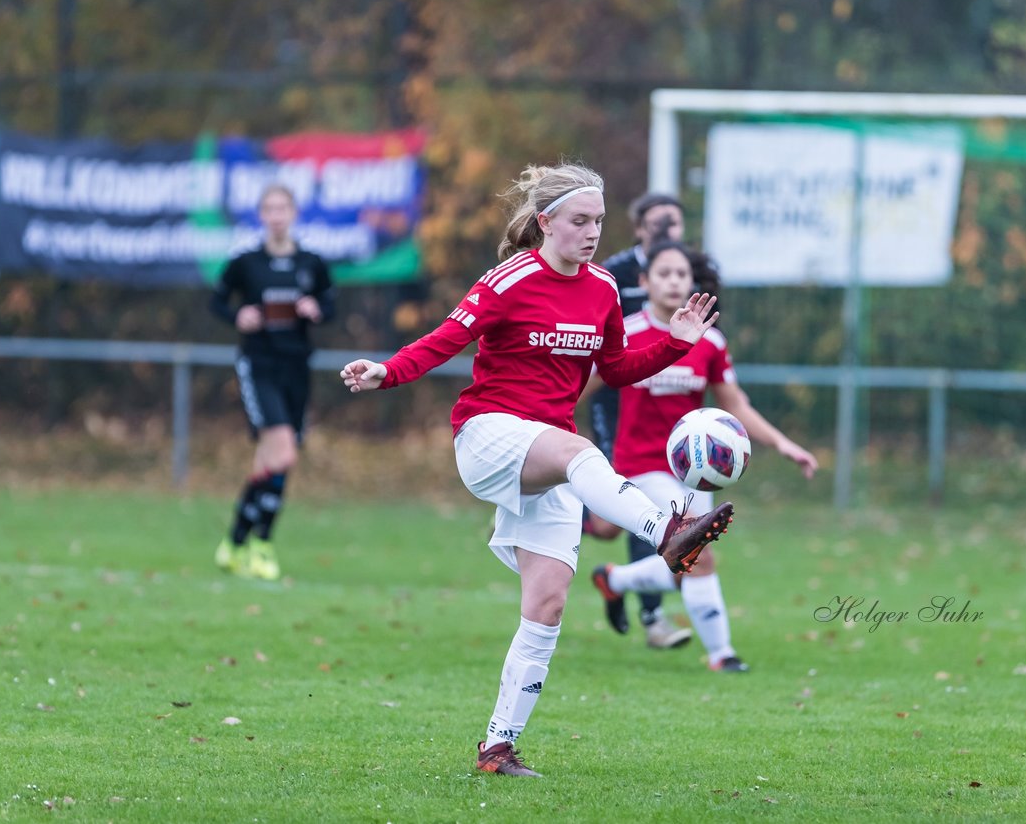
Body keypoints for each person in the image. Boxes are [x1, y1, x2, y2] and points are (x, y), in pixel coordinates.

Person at [339, 163, 735, 778]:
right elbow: (445, 340)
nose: (592, 232)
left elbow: (619, 368)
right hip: (489, 435)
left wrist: (677, 341)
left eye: (600, 221)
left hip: (550, 453)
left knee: (548, 603)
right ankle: (666, 533)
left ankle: (497, 747)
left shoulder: (603, 288)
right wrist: (385, 371)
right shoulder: (509, 279)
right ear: (546, 222)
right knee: (579, 455)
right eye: (580, 221)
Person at [588, 239, 818, 672]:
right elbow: (585, 385)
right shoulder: (627, 334)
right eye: (664, 273)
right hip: (640, 466)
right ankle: (722, 654)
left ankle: (614, 580)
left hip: (698, 474)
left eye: (681, 274)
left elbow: (736, 404)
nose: (674, 281)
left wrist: (782, 443)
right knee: (696, 556)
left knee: (685, 563)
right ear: (644, 282)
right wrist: (542, 421)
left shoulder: (708, 341)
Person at [209, 183, 336, 580]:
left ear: (293, 213)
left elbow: (330, 302)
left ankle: (233, 543)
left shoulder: (311, 262)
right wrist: (238, 316)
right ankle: (262, 544)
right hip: (258, 365)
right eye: (269, 208)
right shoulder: (246, 262)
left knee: (270, 461)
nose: (277, 215)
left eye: (283, 208)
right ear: (261, 215)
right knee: (283, 454)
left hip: (295, 367)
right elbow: (217, 300)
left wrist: (316, 308)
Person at [585, 192, 694, 650]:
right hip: (616, 398)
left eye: (674, 222)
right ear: (638, 229)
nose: (667, 230)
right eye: (657, 223)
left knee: (625, 518)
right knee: (631, 512)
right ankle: (650, 614)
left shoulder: (691, 269)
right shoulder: (615, 271)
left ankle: (647, 612)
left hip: (664, 401)